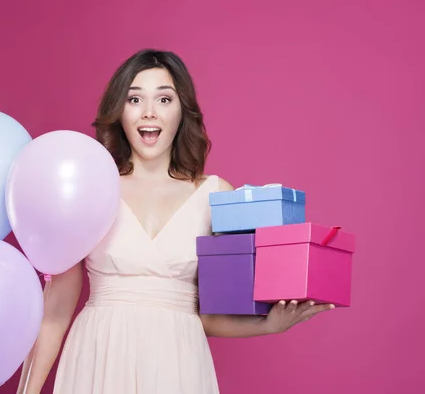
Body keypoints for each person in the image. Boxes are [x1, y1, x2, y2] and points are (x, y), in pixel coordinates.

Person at [17, 49, 334, 394]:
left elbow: (209, 317)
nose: (149, 112)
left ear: (182, 111)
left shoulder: (215, 195)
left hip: (178, 361)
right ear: (119, 111)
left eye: (164, 99)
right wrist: (27, 392)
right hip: (99, 354)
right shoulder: (90, 186)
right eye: (134, 98)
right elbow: (57, 307)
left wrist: (269, 325)